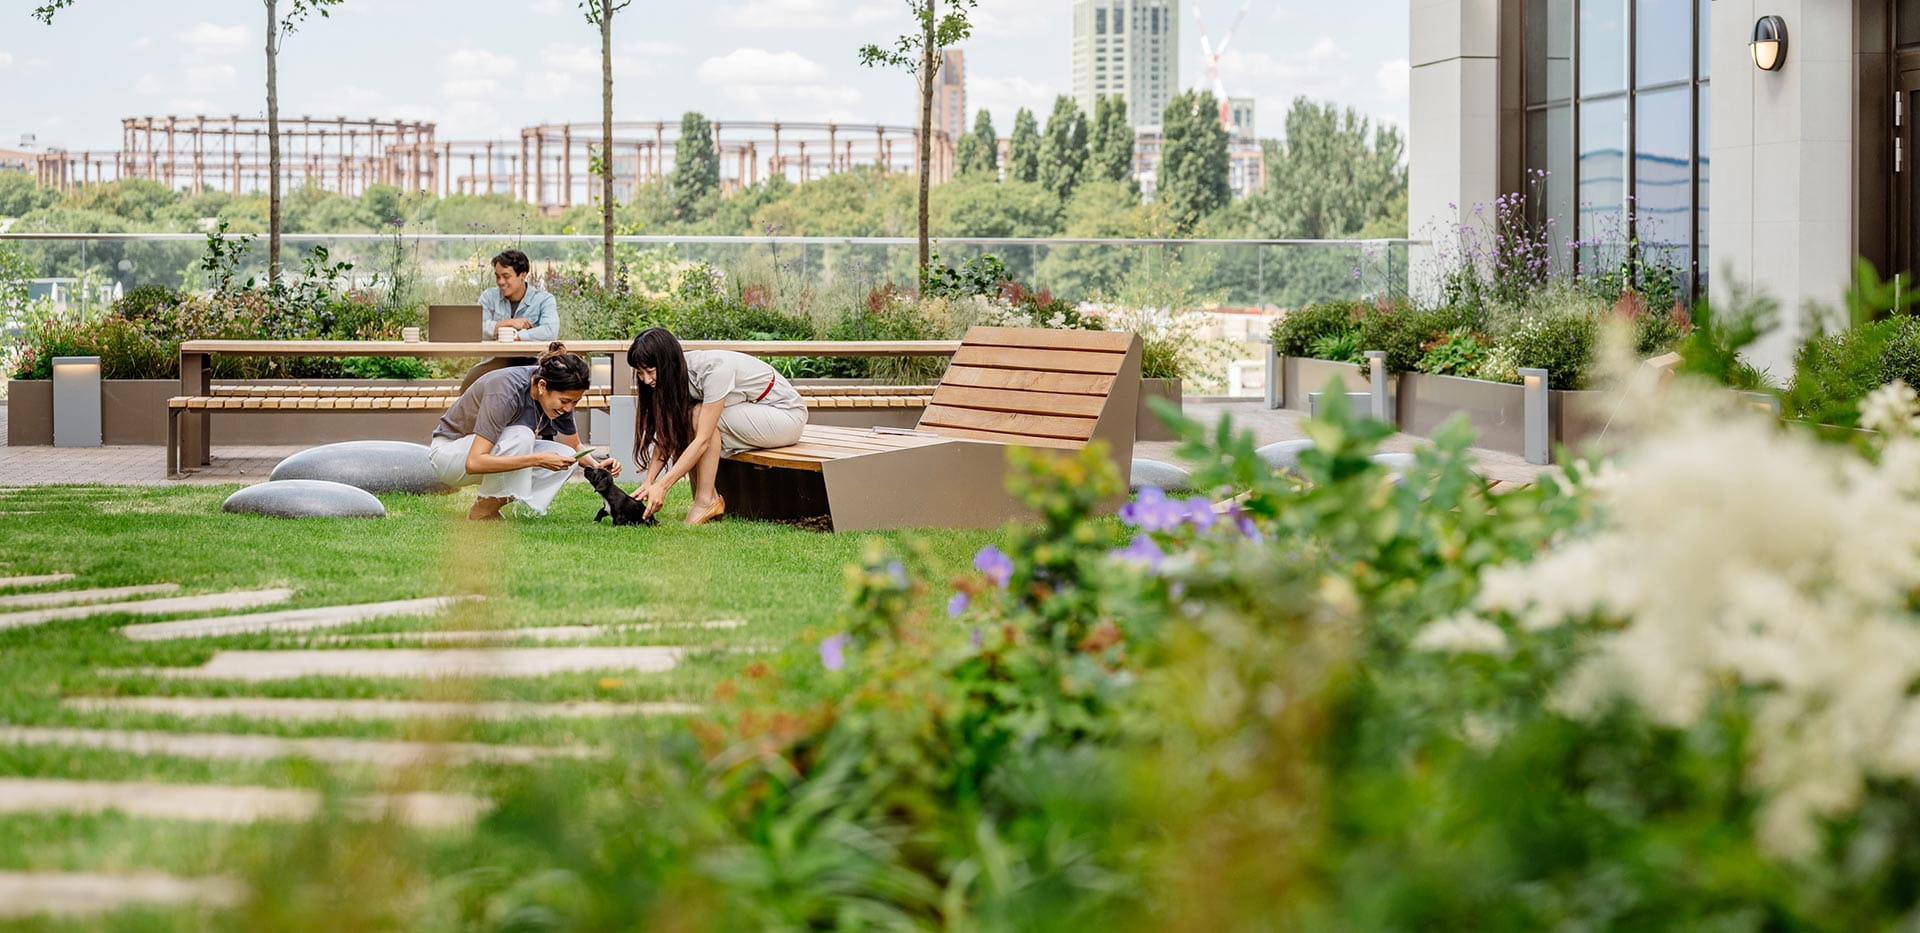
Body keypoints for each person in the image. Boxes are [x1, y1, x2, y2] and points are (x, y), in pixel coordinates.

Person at [625, 327, 808, 525]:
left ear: (667, 363)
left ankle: (706, 501)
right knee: (688, 417)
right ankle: (706, 498)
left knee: (697, 416)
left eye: (650, 371)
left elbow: (703, 439)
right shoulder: (672, 377)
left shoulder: (712, 370)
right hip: (753, 412)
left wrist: (663, 486)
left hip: (786, 415)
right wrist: (649, 481)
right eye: (640, 373)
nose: (646, 379)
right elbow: (668, 433)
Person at [430, 341, 617, 521]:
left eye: (574, 402)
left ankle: (486, 508)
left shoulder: (559, 394)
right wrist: (537, 459)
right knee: (522, 436)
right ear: (542, 386)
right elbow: (474, 462)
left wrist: (597, 466)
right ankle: (481, 513)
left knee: (567, 456)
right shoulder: (505, 390)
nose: (568, 408)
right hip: (450, 455)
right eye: (565, 401)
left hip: (488, 454)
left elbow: (575, 446)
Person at [458, 249, 562, 393]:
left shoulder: (544, 299)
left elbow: (550, 331)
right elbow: (474, 328)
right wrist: (507, 323)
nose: (501, 282)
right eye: (497, 276)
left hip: (532, 364)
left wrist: (519, 336)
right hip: (495, 363)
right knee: (468, 386)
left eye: (506, 276)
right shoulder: (488, 297)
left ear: (523, 275)